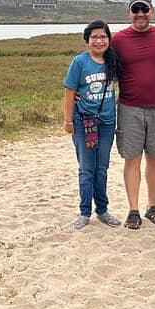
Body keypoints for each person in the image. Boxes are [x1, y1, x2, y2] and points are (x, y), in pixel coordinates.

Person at [111, 0, 155, 230]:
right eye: (135, 9)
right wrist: (77, 91)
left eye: (144, 9)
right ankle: (133, 209)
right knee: (132, 158)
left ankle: (153, 206)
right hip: (129, 108)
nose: (140, 14)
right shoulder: (118, 40)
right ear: (128, 13)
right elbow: (101, 64)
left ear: (152, 12)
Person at [63, 20, 123, 230]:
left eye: (103, 36)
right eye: (94, 37)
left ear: (109, 39)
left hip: (107, 123)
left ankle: (103, 210)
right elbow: (70, 92)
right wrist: (68, 121)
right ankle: (84, 212)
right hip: (84, 123)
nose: (99, 41)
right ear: (87, 40)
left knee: (102, 168)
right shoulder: (79, 62)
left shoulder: (113, 61)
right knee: (87, 169)